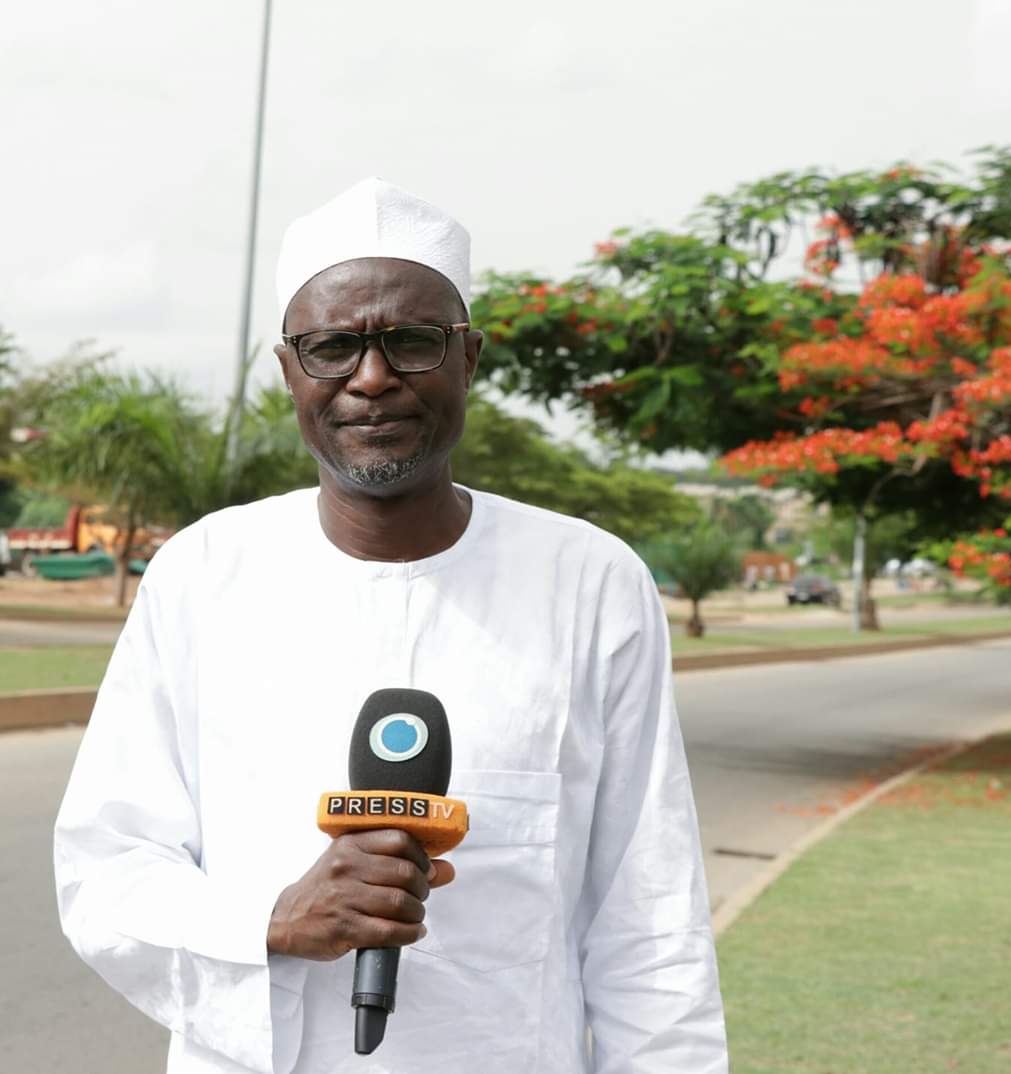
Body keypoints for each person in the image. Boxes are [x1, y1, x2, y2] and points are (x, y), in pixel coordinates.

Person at [54, 179, 728, 1074]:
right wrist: (269, 921)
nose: (371, 379)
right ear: (289, 371)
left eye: (411, 341)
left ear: (469, 357)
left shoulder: (590, 582)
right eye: (333, 347)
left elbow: (650, 920)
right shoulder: (202, 574)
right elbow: (107, 867)